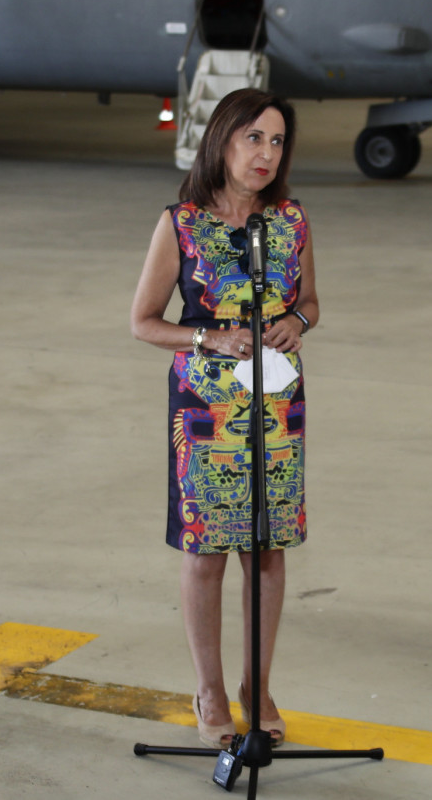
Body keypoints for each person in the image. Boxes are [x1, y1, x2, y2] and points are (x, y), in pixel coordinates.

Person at [130, 89, 318, 748]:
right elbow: (143, 322)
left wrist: (295, 322)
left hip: (276, 408)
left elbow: (311, 304)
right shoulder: (180, 224)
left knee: (266, 551)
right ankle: (209, 687)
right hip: (207, 411)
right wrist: (209, 339)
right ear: (222, 141)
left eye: (276, 141)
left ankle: (255, 683)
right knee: (207, 552)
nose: (266, 154)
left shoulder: (291, 221)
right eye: (253, 138)